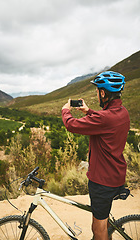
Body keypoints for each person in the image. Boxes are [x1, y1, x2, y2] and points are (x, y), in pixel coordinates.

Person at [61, 71, 130, 240]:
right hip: (116, 175)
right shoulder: (123, 113)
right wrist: (88, 111)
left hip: (102, 182)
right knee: (104, 222)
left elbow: (72, 125)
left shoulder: (105, 118)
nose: (97, 93)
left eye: (98, 90)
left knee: (98, 229)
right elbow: (104, 120)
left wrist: (65, 110)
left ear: (103, 93)